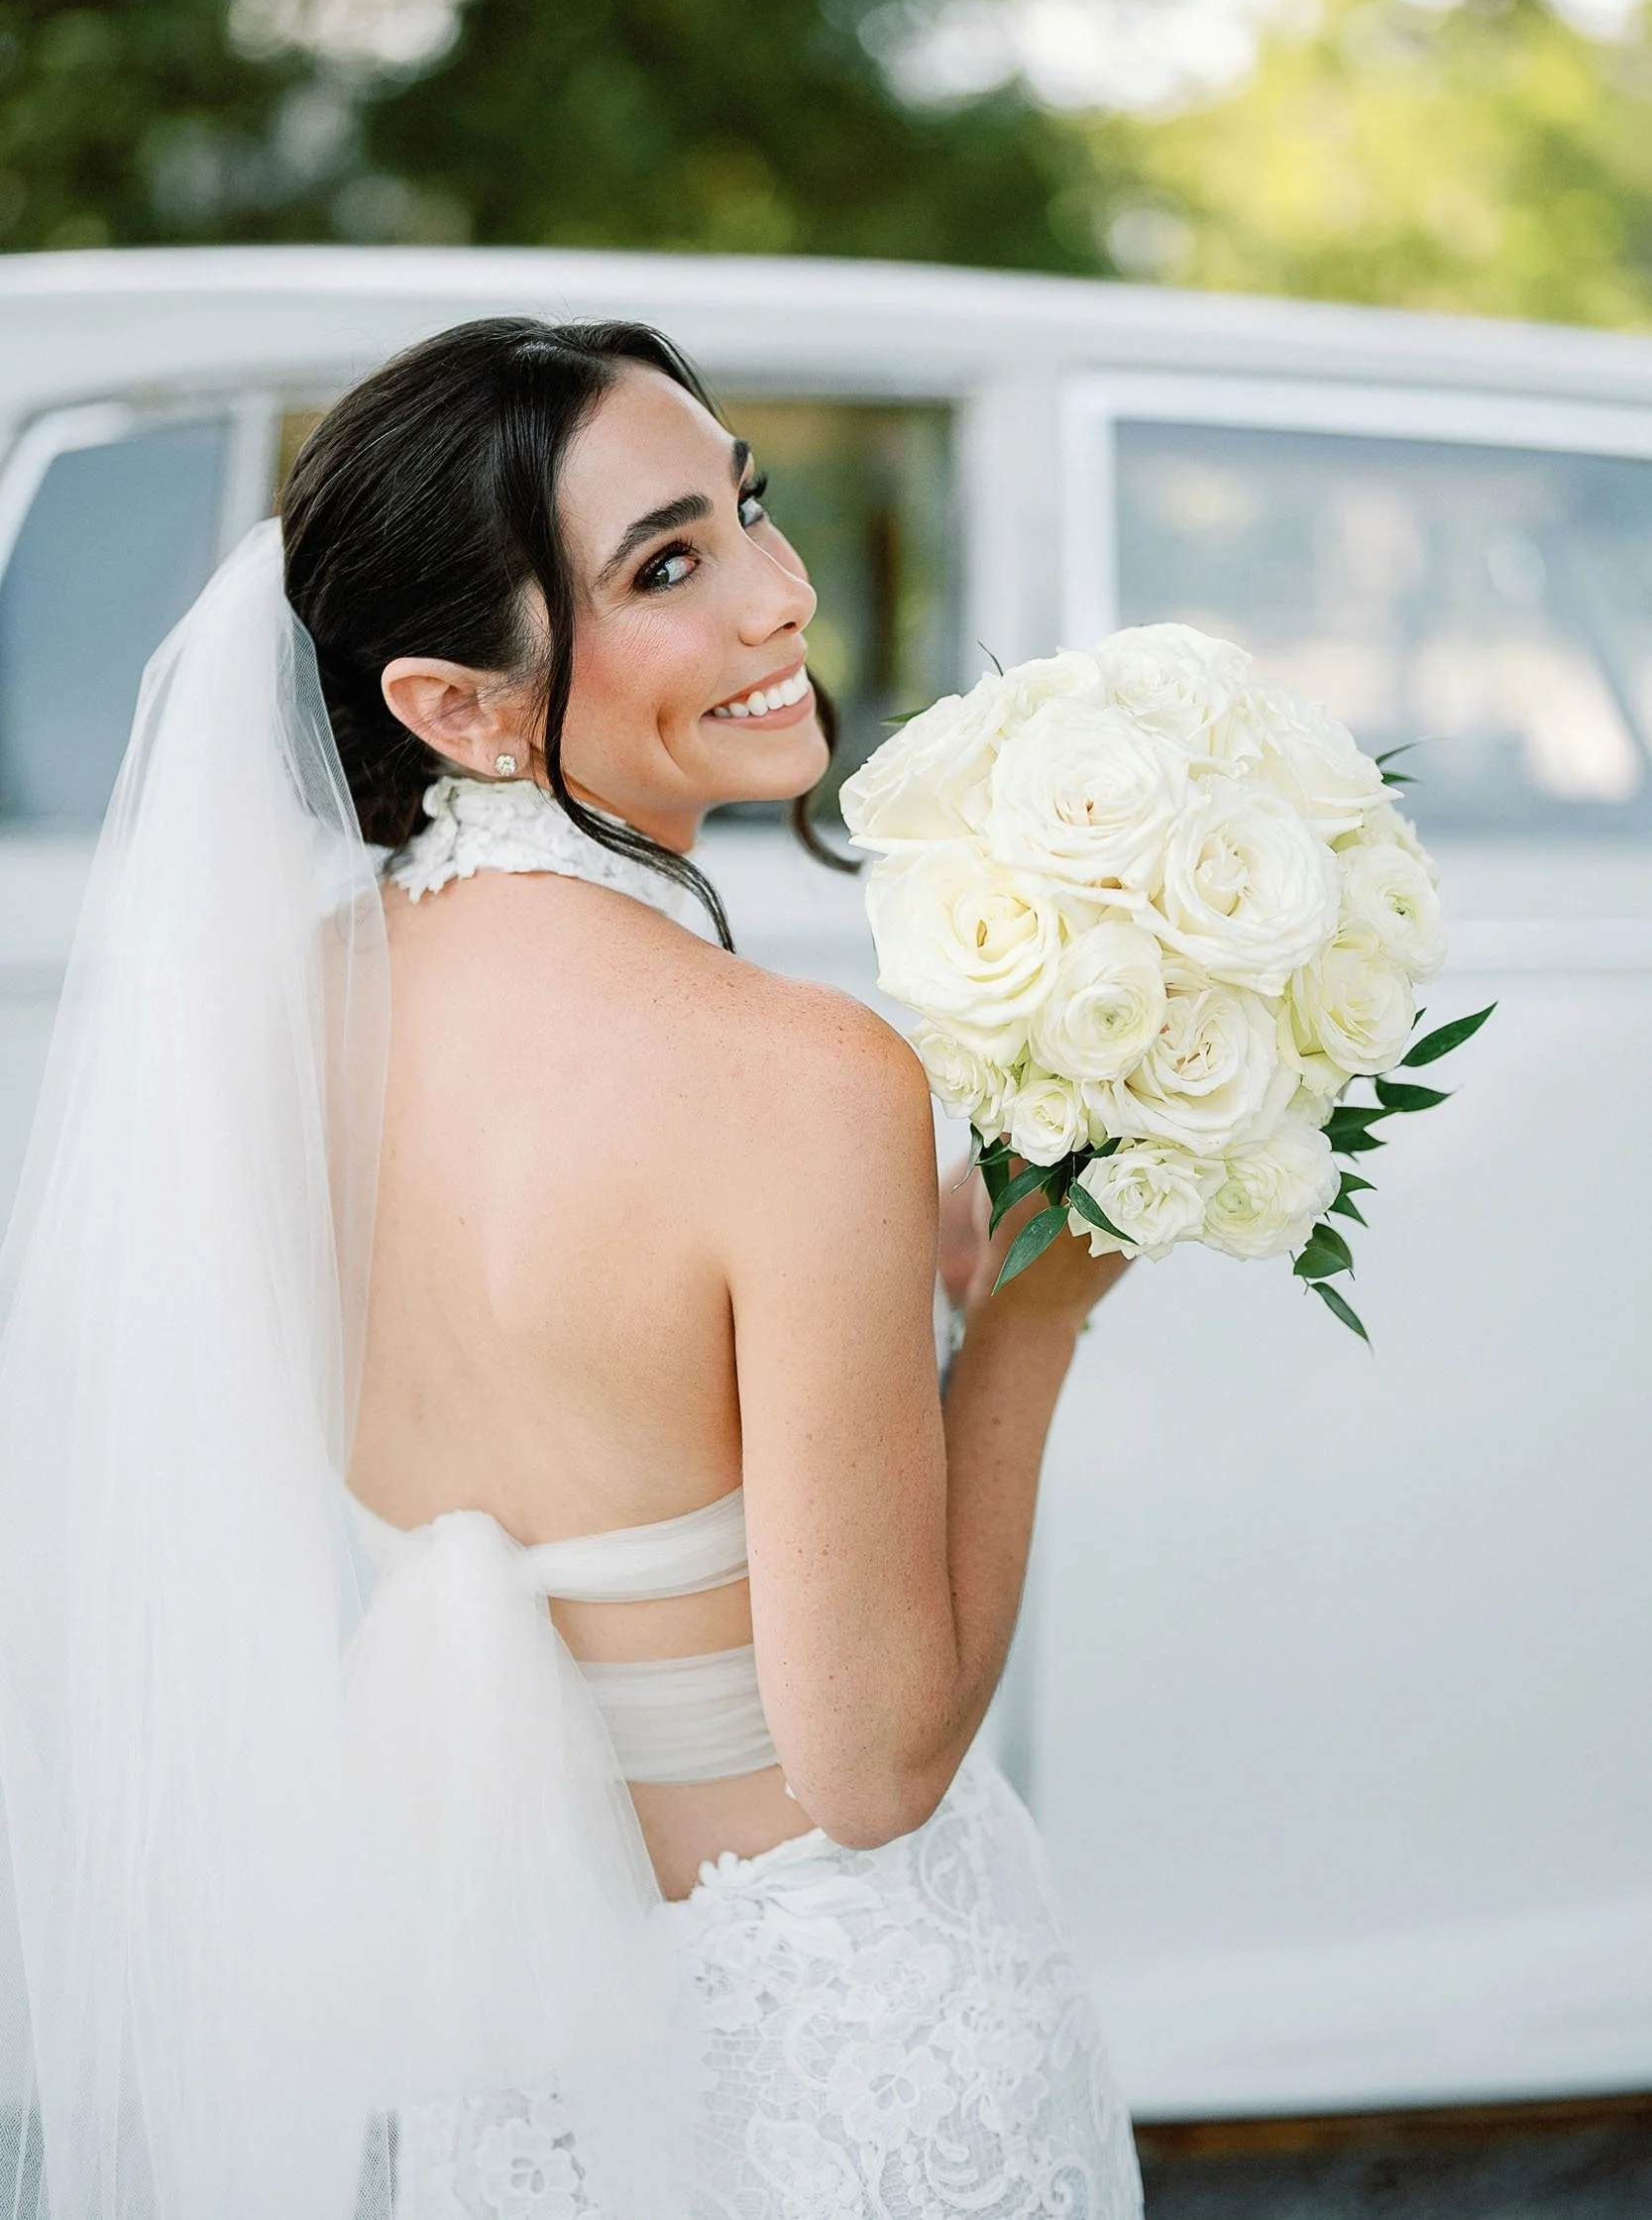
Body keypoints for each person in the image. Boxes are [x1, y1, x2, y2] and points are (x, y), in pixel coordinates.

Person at [0, 317, 1142, 2220]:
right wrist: (1026, 1322)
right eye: (666, 567)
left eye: (748, 512)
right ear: (455, 704)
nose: (780, 600)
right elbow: (867, 1770)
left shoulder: (284, 1012)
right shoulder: (797, 1076)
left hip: (506, 2052)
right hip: (845, 2056)